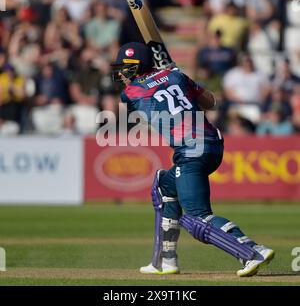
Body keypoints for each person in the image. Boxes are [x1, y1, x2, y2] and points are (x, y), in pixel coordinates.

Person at [111, 42, 275, 277]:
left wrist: (167, 77)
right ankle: (165, 261)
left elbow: (146, 92)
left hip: (191, 151)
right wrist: (178, 76)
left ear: (136, 68)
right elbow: (211, 102)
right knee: (164, 186)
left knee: (196, 218)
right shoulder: (175, 76)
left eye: (124, 68)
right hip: (212, 145)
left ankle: (253, 250)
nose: (120, 74)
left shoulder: (131, 93)